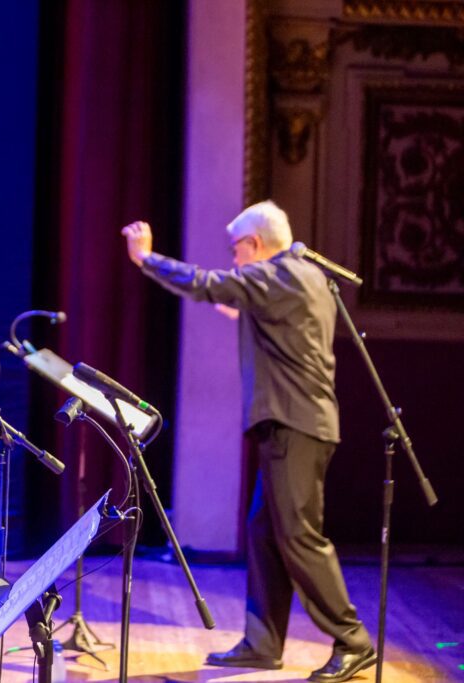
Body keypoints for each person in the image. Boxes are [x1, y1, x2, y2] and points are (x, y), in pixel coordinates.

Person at [121, 201, 376, 683]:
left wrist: (146, 259)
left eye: (237, 251)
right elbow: (279, 321)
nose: (235, 260)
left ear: (255, 245)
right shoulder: (301, 276)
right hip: (296, 423)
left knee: (299, 536)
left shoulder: (278, 275)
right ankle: (262, 644)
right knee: (264, 532)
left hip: (295, 424)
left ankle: (353, 640)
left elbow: (206, 283)